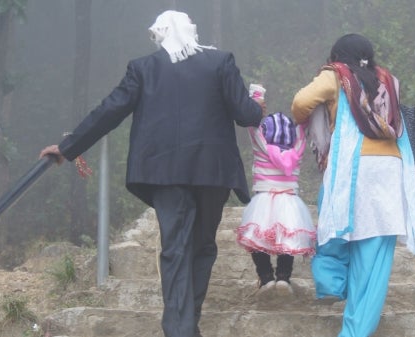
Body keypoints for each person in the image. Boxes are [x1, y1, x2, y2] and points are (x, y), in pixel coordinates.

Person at [39, 10, 265, 337]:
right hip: (211, 171)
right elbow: (245, 114)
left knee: (175, 249)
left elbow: (110, 110)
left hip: (163, 172)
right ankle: (186, 326)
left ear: (161, 34)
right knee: (202, 247)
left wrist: (70, 146)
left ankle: (181, 328)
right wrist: (259, 106)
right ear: (191, 31)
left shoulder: (144, 68)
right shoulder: (220, 62)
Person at [291, 33, 415, 337]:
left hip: (353, 167)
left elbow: (299, 104)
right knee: (374, 259)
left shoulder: (335, 76)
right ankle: (354, 331)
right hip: (388, 169)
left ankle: (332, 282)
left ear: (338, 55)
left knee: (337, 225)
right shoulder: (386, 79)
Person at [236, 110, 316, 296]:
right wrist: (302, 122)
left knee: (256, 238)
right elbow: (303, 131)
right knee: (287, 240)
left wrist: (255, 100)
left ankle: (266, 278)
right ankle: (283, 277)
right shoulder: (297, 148)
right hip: (289, 200)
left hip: (263, 198)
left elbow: (252, 128)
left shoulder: (260, 146)